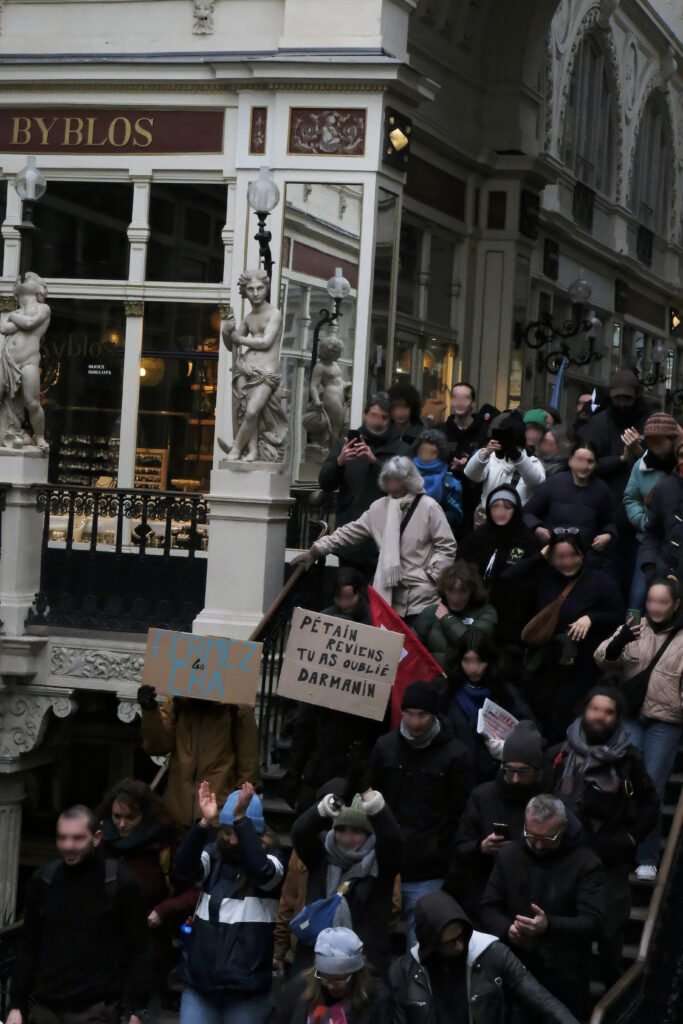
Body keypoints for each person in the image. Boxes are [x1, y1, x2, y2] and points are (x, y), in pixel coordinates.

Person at [550, 686, 659, 986]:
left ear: (616, 717)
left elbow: (649, 802)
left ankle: (611, 992)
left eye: (608, 711)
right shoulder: (562, 752)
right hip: (567, 857)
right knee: (571, 934)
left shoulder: (628, 758)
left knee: (610, 932)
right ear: (585, 711)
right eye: (595, 709)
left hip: (610, 858)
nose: (600, 716)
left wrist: (632, 838)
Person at [8, 805, 151, 1024]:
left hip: (96, 1009)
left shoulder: (121, 883)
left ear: (96, 837)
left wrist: (137, 1010)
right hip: (46, 1007)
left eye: (77, 838)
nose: (68, 846)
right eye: (62, 838)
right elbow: (29, 945)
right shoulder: (44, 880)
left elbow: (139, 950)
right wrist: (16, 1006)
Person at [480, 795, 605, 1019]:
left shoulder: (586, 863)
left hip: (566, 976)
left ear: (563, 827)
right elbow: (488, 907)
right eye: (532, 836)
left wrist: (548, 926)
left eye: (548, 837)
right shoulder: (509, 855)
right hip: (515, 970)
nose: (538, 845)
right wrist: (508, 930)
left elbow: (593, 922)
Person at [369, 680, 471, 948]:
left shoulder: (455, 755)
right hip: (385, 862)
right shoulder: (384, 746)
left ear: (434, 715)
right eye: (409, 714)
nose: (415, 723)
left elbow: (460, 812)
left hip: (428, 867)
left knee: (422, 946)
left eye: (422, 715)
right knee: (374, 940)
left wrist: (442, 852)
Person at [294, 456, 456, 621]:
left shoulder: (429, 507)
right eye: (388, 479)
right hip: (387, 594)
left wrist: (431, 576)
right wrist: (315, 551)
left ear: (409, 481)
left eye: (397, 479)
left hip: (421, 596)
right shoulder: (379, 508)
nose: (392, 484)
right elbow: (349, 532)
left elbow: (446, 546)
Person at [594, 578, 683, 878]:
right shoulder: (635, 627)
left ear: (676, 604)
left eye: (662, 602)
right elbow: (601, 658)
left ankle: (647, 856)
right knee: (618, 778)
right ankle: (616, 848)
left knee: (652, 786)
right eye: (651, 601)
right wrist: (619, 641)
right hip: (631, 716)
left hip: (666, 722)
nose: (655, 607)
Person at [175, 781, 284, 1024]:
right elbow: (183, 867)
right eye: (227, 832)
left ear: (255, 832)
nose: (232, 840)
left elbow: (262, 872)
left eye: (239, 832)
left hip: (247, 991)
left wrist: (241, 821)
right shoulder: (214, 854)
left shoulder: (273, 860)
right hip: (200, 986)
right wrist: (203, 824)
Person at [501, 531, 624, 742]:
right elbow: (507, 579)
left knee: (562, 724)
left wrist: (591, 619)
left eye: (572, 555)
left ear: (582, 554)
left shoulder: (599, 580)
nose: (567, 562)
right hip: (543, 665)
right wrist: (541, 555)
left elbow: (618, 616)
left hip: (579, 667)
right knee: (536, 719)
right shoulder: (544, 576)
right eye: (560, 556)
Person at [389, 889, 579, 1024]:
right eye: (450, 942)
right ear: (432, 944)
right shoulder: (406, 969)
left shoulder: (491, 953)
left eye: (461, 936)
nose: (460, 945)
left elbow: (542, 1001)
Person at [281, 569, 382, 811]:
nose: (344, 604)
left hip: (355, 724)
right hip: (321, 715)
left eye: (349, 598)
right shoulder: (324, 620)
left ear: (360, 593)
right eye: (339, 598)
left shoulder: (375, 623)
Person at [98, 780, 199, 1018]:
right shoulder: (101, 842)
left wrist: (161, 911)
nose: (121, 824)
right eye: (117, 816)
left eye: (129, 818)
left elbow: (194, 892)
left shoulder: (163, 846)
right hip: (102, 954)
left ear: (144, 815)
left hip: (146, 955)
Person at [291, 788, 402, 974]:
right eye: (340, 829)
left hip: (364, 968)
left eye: (356, 831)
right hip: (315, 966)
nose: (347, 838)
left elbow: (393, 839)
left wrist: (371, 798)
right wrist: (330, 803)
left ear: (368, 833)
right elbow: (300, 832)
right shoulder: (321, 857)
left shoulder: (381, 864)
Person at [453, 721, 549, 917]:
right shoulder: (483, 796)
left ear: (537, 771)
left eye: (522, 772)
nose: (515, 779)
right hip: (486, 895)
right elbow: (460, 846)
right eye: (510, 770)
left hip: (532, 898)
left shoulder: (549, 802)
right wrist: (481, 847)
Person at [136, 685, 261, 827]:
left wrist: (238, 816)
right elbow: (156, 747)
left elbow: (248, 766)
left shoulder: (238, 709)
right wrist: (150, 711)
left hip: (217, 817)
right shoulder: (177, 702)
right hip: (176, 815)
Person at [318, 392, 411, 574]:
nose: (377, 422)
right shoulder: (343, 445)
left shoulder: (402, 450)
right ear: (365, 416)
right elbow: (325, 483)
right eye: (373, 416)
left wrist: (373, 461)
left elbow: (403, 487)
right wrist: (339, 462)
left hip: (386, 542)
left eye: (383, 417)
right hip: (350, 541)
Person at [577, 370, 650, 596]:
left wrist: (641, 454)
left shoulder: (648, 422)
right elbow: (587, 465)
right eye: (618, 398)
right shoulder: (598, 424)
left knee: (636, 585)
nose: (622, 403)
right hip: (605, 513)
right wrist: (622, 458)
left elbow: (662, 467)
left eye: (627, 398)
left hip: (640, 517)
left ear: (636, 396)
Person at [440, 630, 535, 785]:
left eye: (479, 661)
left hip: (492, 779)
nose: (473, 668)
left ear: (490, 661)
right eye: (467, 660)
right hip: (453, 777)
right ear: (458, 660)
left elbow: (531, 731)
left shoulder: (505, 694)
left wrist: (508, 748)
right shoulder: (447, 693)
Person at [458, 485, 539, 648]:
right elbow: (460, 572)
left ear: (516, 510)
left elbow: (534, 580)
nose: (501, 511)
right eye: (495, 506)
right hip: (477, 613)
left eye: (507, 507)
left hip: (514, 619)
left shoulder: (528, 541)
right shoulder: (476, 538)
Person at [220, 269, 287, 462]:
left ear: (266, 289)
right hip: (245, 368)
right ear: (244, 292)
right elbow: (230, 344)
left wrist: (238, 338)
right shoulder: (249, 317)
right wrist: (226, 332)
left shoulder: (274, 314)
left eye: (260, 288)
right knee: (244, 412)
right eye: (250, 289)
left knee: (252, 411)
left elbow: (266, 342)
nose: (256, 293)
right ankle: (252, 452)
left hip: (266, 372)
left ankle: (236, 448)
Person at [623, 413, 681, 611]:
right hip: (651, 540)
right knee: (639, 596)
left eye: (660, 440)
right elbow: (630, 498)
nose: (654, 445)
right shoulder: (642, 465)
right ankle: (631, 639)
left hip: (677, 542)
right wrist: (642, 520)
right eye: (650, 440)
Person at [275, 927, 391, 1024]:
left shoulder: (378, 998)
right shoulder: (300, 987)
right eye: (325, 978)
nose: (330, 986)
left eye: (339, 979)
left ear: (355, 973)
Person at [522, 441, 618, 553]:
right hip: (552, 551)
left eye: (590, 461)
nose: (584, 466)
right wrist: (537, 528)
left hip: (585, 555)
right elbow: (527, 513)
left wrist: (608, 535)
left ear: (596, 465)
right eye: (579, 460)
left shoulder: (602, 490)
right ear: (570, 461)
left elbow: (612, 522)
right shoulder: (554, 483)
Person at [412, 562, 498, 669]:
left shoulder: (486, 612)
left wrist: (447, 618)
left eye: (462, 591)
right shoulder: (432, 611)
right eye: (450, 590)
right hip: (432, 679)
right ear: (444, 589)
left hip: (466, 682)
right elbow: (410, 645)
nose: (455, 598)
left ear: (472, 591)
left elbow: (474, 645)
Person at [0, 272, 51, 449]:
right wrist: (18, 317)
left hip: (28, 362)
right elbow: (3, 329)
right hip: (7, 361)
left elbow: (29, 324)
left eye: (30, 279)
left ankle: (40, 438)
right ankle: (9, 431)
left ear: (39, 289)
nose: (24, 279)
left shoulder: (43, 309)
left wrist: (14, 317)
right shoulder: (14, 313)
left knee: (32, 402)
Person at [464, 411, 545, 516]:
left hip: (517, 522)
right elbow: (471, 474)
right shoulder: (492, 459)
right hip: (489, 520)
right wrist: (485, 453)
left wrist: (518, 458)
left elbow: (536, 482)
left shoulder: (532, 462)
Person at [639, 431, 683, 585]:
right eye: (682, 455)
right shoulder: (664, 489)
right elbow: (651, 534)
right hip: (669, 578)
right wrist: (650, 567)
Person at [411, 429, 463, 530]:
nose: (427, 455)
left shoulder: (449, 483)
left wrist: (431, 518)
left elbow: (455, 516)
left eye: (433, 452)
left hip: (435, 538)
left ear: (440, 453)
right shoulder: (405, 475)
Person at [388, 380, 425, 446]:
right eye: (395, 406)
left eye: (405, 406)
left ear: (413, 408)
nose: (400, 412)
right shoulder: (382, 431)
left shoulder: (422, 434)